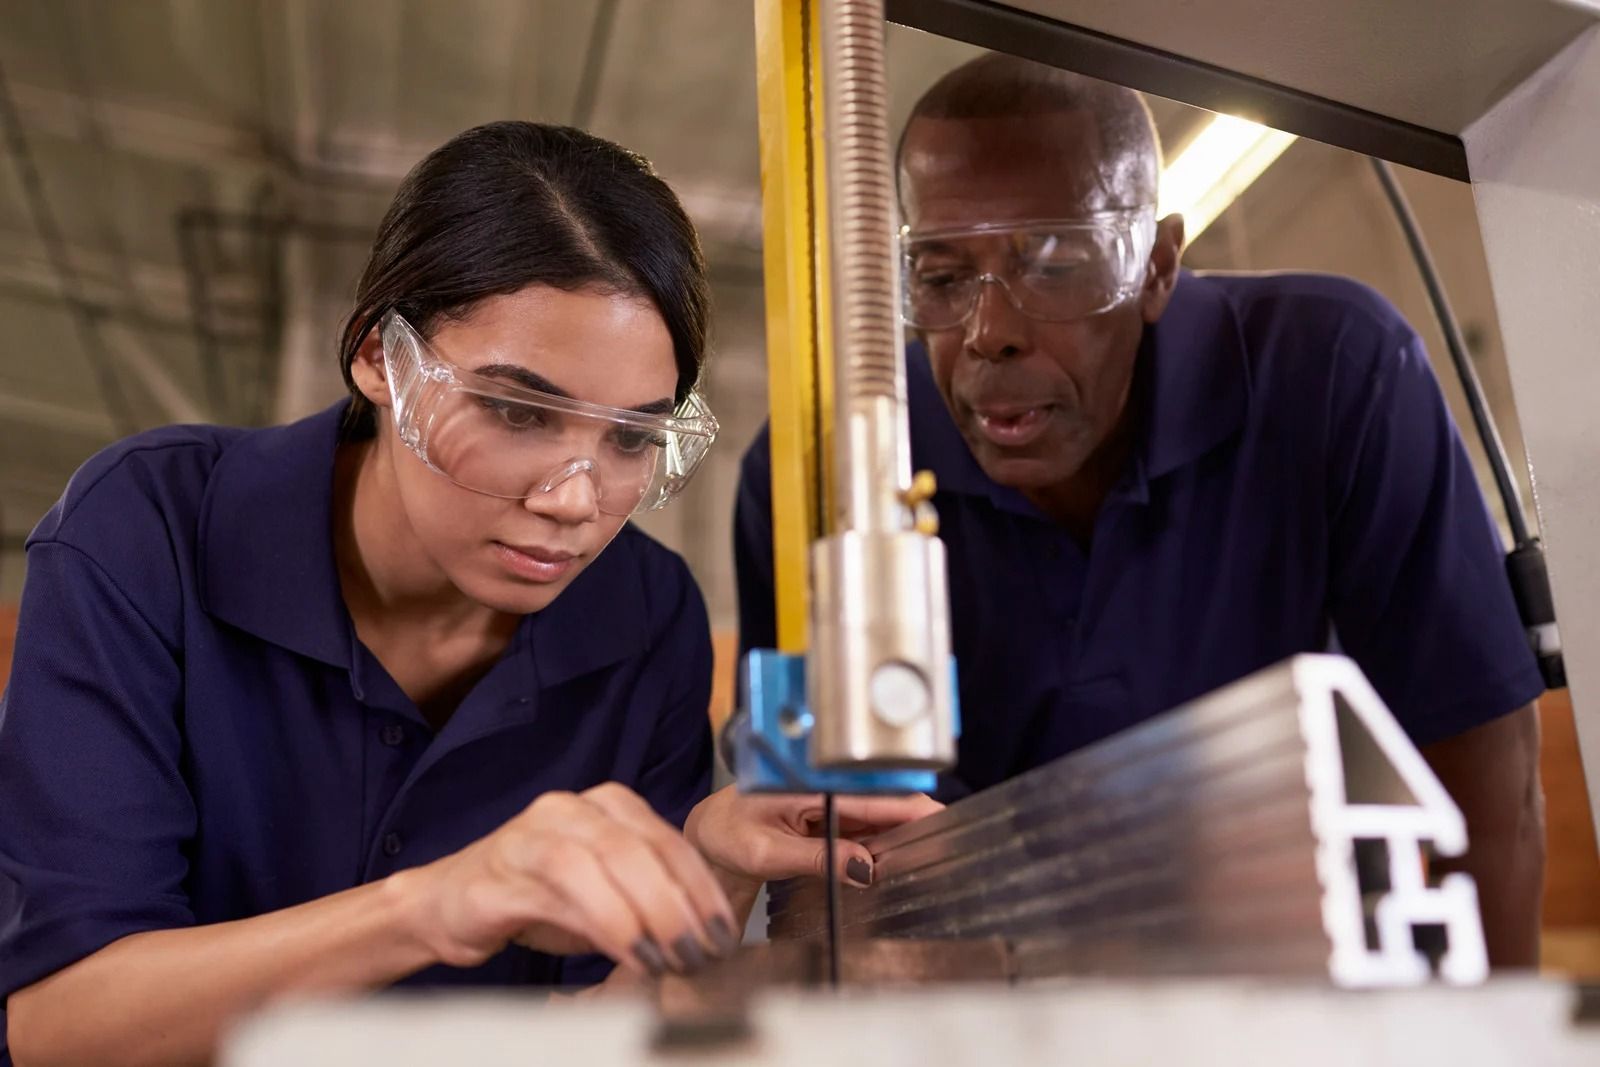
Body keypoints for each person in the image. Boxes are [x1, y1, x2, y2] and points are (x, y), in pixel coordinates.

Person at [0, 121, 938, 1067]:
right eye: (518, 410)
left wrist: (713, 866)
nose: (575, 501)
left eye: (629, 438)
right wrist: (440, 902)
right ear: (378, 356)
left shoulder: (648, 618)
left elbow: (596, 1033)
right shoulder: (150, 531)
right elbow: (60, 1025)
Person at [735, 55, 1545, 967]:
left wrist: (1500, 1036)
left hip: (1287, 959)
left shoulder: (1331, 376)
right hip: (983, 990)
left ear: (1158, 264)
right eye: (943, 274)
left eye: (1055, 264)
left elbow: (1483, 772)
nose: (988, 331)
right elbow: (809, 853)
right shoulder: (824, 470)